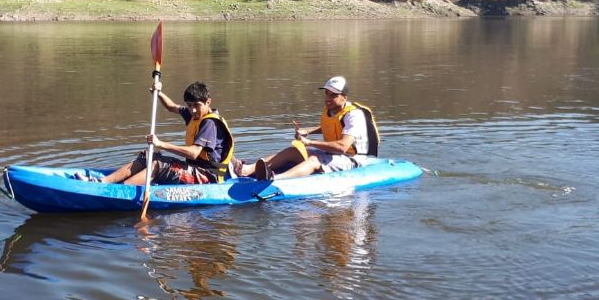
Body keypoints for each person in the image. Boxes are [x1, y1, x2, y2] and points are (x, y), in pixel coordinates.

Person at [76, 81, 234, 185]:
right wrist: (158, 92)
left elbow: (193, 153)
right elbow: (171, 107)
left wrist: (161, 144)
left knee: (158, 165)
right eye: (189, 105)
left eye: (196, 105)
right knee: (148, 156)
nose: (192, 110)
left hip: (206, 177)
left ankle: (122, 190)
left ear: (208, 102)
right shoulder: (195, 115)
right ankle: (102, 182)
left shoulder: (210, 123)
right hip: (193, 169)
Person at [240, 76, 379, 180]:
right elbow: (329, 126)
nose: (328, 98)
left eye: (334, 95)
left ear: (344, 97)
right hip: (334, 154)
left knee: (314, 161)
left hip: (353, 159)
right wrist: (308, 131)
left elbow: (343, 146)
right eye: (327, 93)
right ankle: (246, 170)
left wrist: (310, 142)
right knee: (293, 151)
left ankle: (275, 179)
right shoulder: (330, 109)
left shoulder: (353, 115)